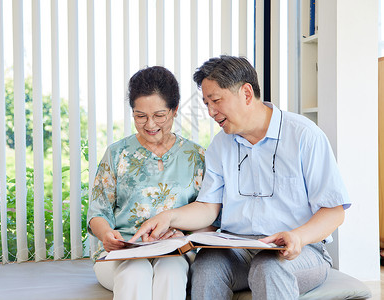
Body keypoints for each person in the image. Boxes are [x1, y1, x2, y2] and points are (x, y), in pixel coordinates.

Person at [130, 55, 350, 300]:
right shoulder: (220, 145)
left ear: (246, 93)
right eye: (206, 104)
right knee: (207, 264)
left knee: (269, 266)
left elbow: (334, 210)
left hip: (299, 250)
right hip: (239, 250)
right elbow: (208, 208)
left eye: (215, 101)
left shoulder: (304, 136)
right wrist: (169, 217)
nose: (211, 112)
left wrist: (298, 236)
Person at [86, 66, 206, 300]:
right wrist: (107, 235)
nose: (150, 124)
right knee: (136, 271)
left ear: (174, 110)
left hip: (175, 250)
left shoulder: (197, 156)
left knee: (171, 271)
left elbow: (209, 216)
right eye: (140, 116)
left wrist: (182, 233)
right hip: (123, 253)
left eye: (159, 115)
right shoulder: (117, 153)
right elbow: (98, 212)